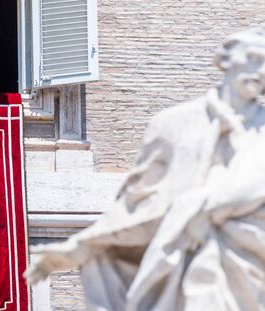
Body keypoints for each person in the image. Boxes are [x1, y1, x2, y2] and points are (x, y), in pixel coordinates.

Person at [26, 25, 265, 311]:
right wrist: (81, 246)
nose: (260, 70)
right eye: (253, 58)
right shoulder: (173, 125)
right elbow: (137, 205)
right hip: (187, 268)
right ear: (225, 60)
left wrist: (203, 206)